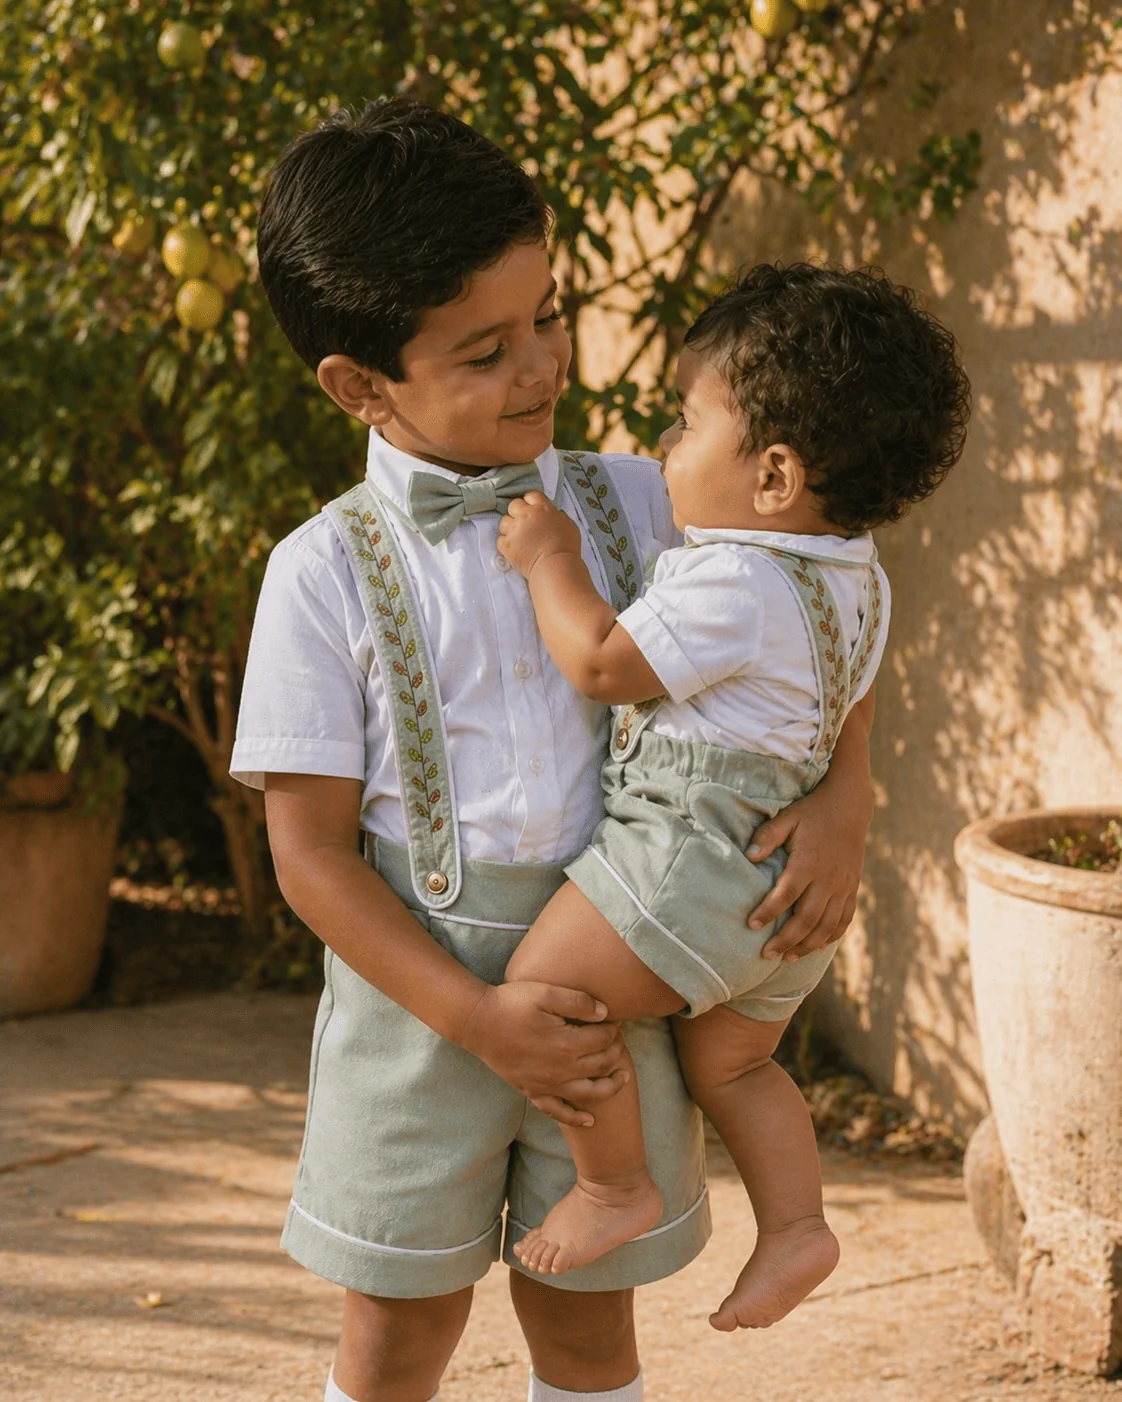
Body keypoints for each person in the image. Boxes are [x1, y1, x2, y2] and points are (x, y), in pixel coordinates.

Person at [231, 100, 878, 1402]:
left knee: (586, 1327)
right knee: (396, 1332)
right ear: (361, 385)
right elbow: (307, 854)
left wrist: (848, 789)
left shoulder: (647, 499)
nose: (539, 365)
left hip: (615, 962)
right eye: (483, 350)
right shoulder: (320, 575)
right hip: (423, 1001)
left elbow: (818, 602)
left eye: (548, 316)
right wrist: (476, 1014)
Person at [497, 263, 970, 1330]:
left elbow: (607, 664)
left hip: (694, 859)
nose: (665, 444)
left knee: (542, 993)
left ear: (773, 476)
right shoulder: (859, 573)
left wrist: (549, 560)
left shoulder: (735, 580)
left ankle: (617, 1183)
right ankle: (796, 1224)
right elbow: (853, 703)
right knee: (736, 1056)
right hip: (784, 894)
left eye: (684, 421)